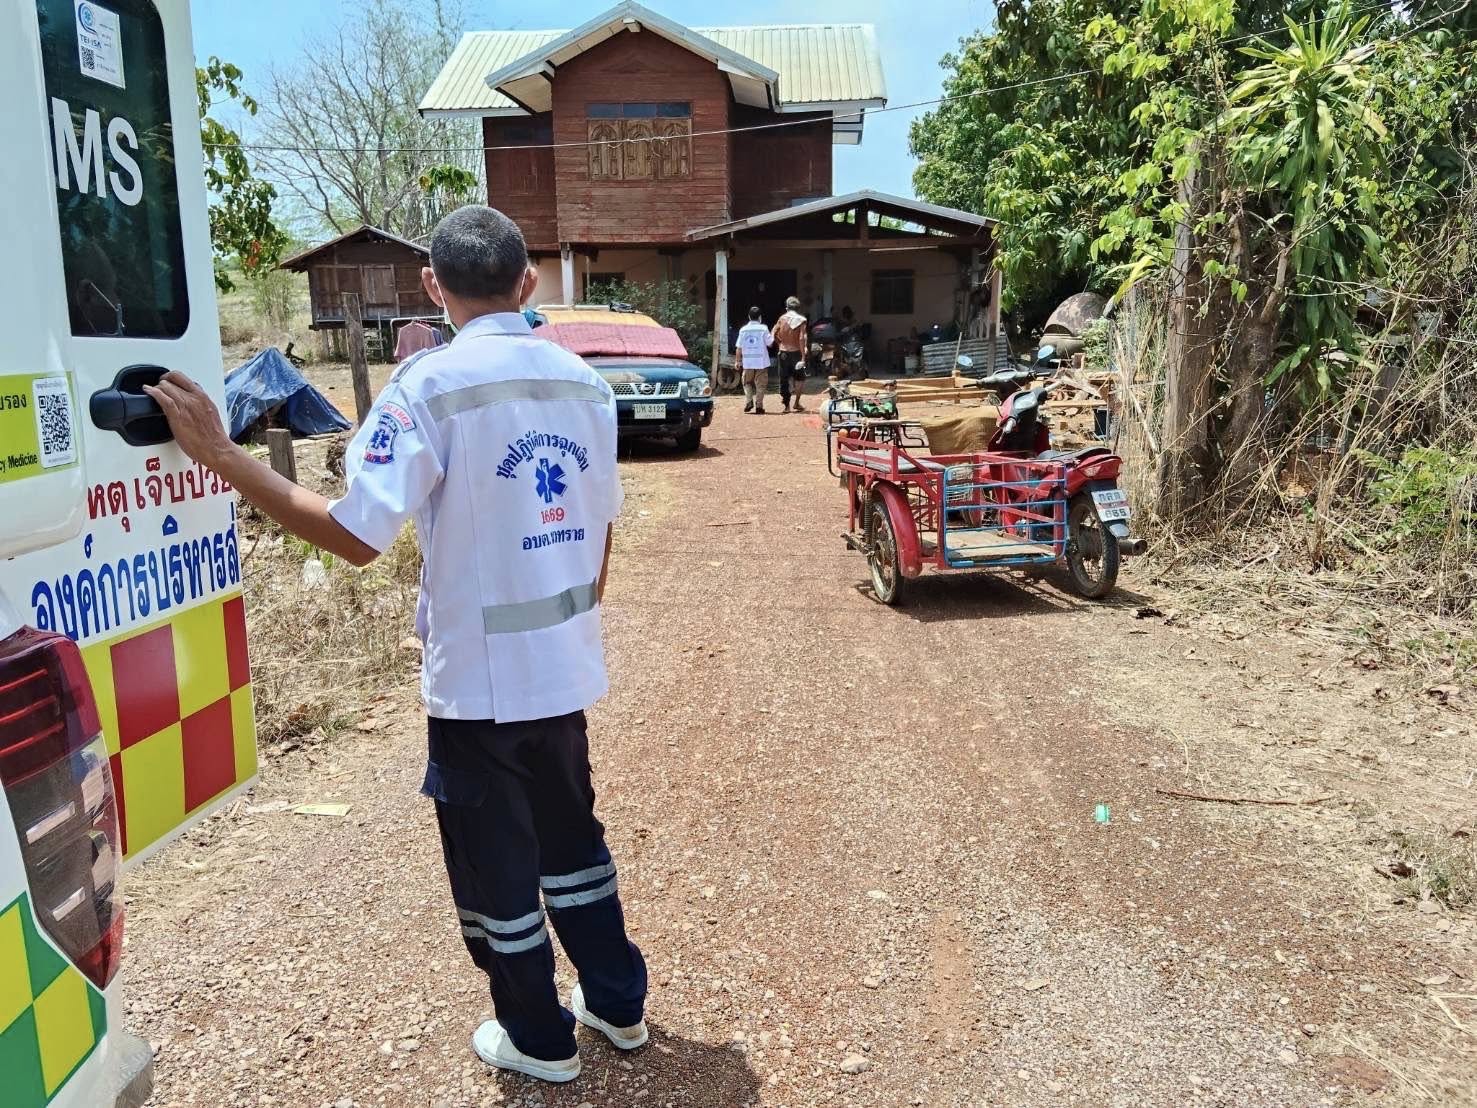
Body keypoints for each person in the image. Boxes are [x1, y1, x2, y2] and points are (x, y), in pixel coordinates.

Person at [144, 205, 647, 1085]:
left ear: (430, 285)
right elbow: (598, 533)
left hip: (478, 689)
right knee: (574, 844)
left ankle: (539, 1039)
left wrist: (223, 456)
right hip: (563, 670)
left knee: (498, 873)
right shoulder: (586, 384)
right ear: (527, 281)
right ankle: (616, 1002)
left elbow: (353, 535)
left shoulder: (427, 386)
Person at [771, 296, 809, 413]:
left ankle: (786, 406)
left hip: (783, 352)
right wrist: (803, 356)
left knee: (784, 378)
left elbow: (773, 333)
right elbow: (802, 338)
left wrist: (780, 343)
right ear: (798, 308)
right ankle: (796, 402)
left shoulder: (782, 319)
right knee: (799, 378)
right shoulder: (801, 320)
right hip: (796, 352)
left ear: (787, 308)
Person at [735, 305, 773, 414]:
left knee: (746, 382)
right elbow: (770, 344)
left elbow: (739, 348)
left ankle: (749, 401)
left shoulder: (743, 330)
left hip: (748, 362)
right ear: (760, 317)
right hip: (761, 362)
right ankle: (759, 406)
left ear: (749, 317)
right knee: (761, 385)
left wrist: (738, 361)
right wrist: (773, 333)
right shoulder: (763, 328)